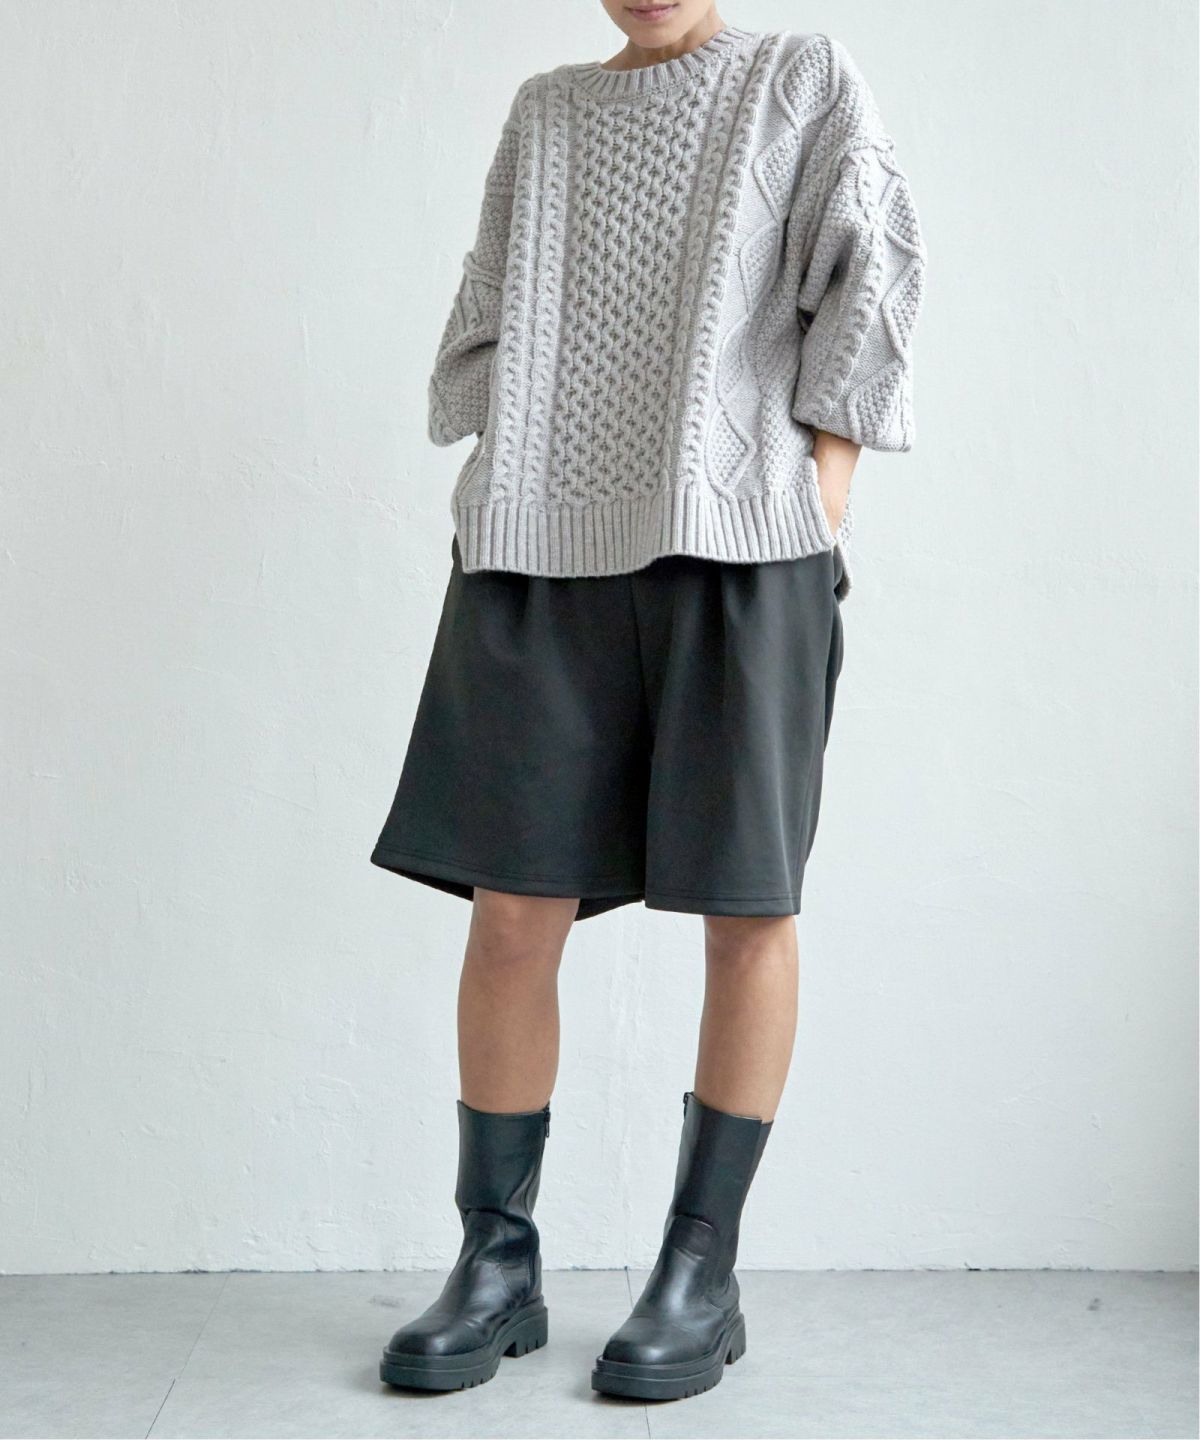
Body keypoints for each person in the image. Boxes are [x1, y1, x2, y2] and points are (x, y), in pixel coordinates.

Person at [370, 0, 925, 1403]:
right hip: (539, 551)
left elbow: (870, 273)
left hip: (743, 548)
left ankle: (699, 1271)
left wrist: (818, 491)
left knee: (747, 908)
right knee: (513, 912)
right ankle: (495, 1264)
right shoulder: (549, 112)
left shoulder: (800, 75)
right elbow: (491, 314)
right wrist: (507, 474)